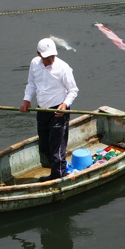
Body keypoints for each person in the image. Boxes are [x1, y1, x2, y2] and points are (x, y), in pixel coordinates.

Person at [20, 37, 79, 180]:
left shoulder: (63, 67)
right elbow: (31, 84)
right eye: (47, 57)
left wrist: (65, 105)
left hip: (59, 112)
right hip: (42, 110)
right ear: (39, 55)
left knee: (57, 147)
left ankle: (57, 175)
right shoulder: (34, 64)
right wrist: (27, 100)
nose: (51, 59)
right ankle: (54, 166)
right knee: (44, 145)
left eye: (53, 55)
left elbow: (73, 90)